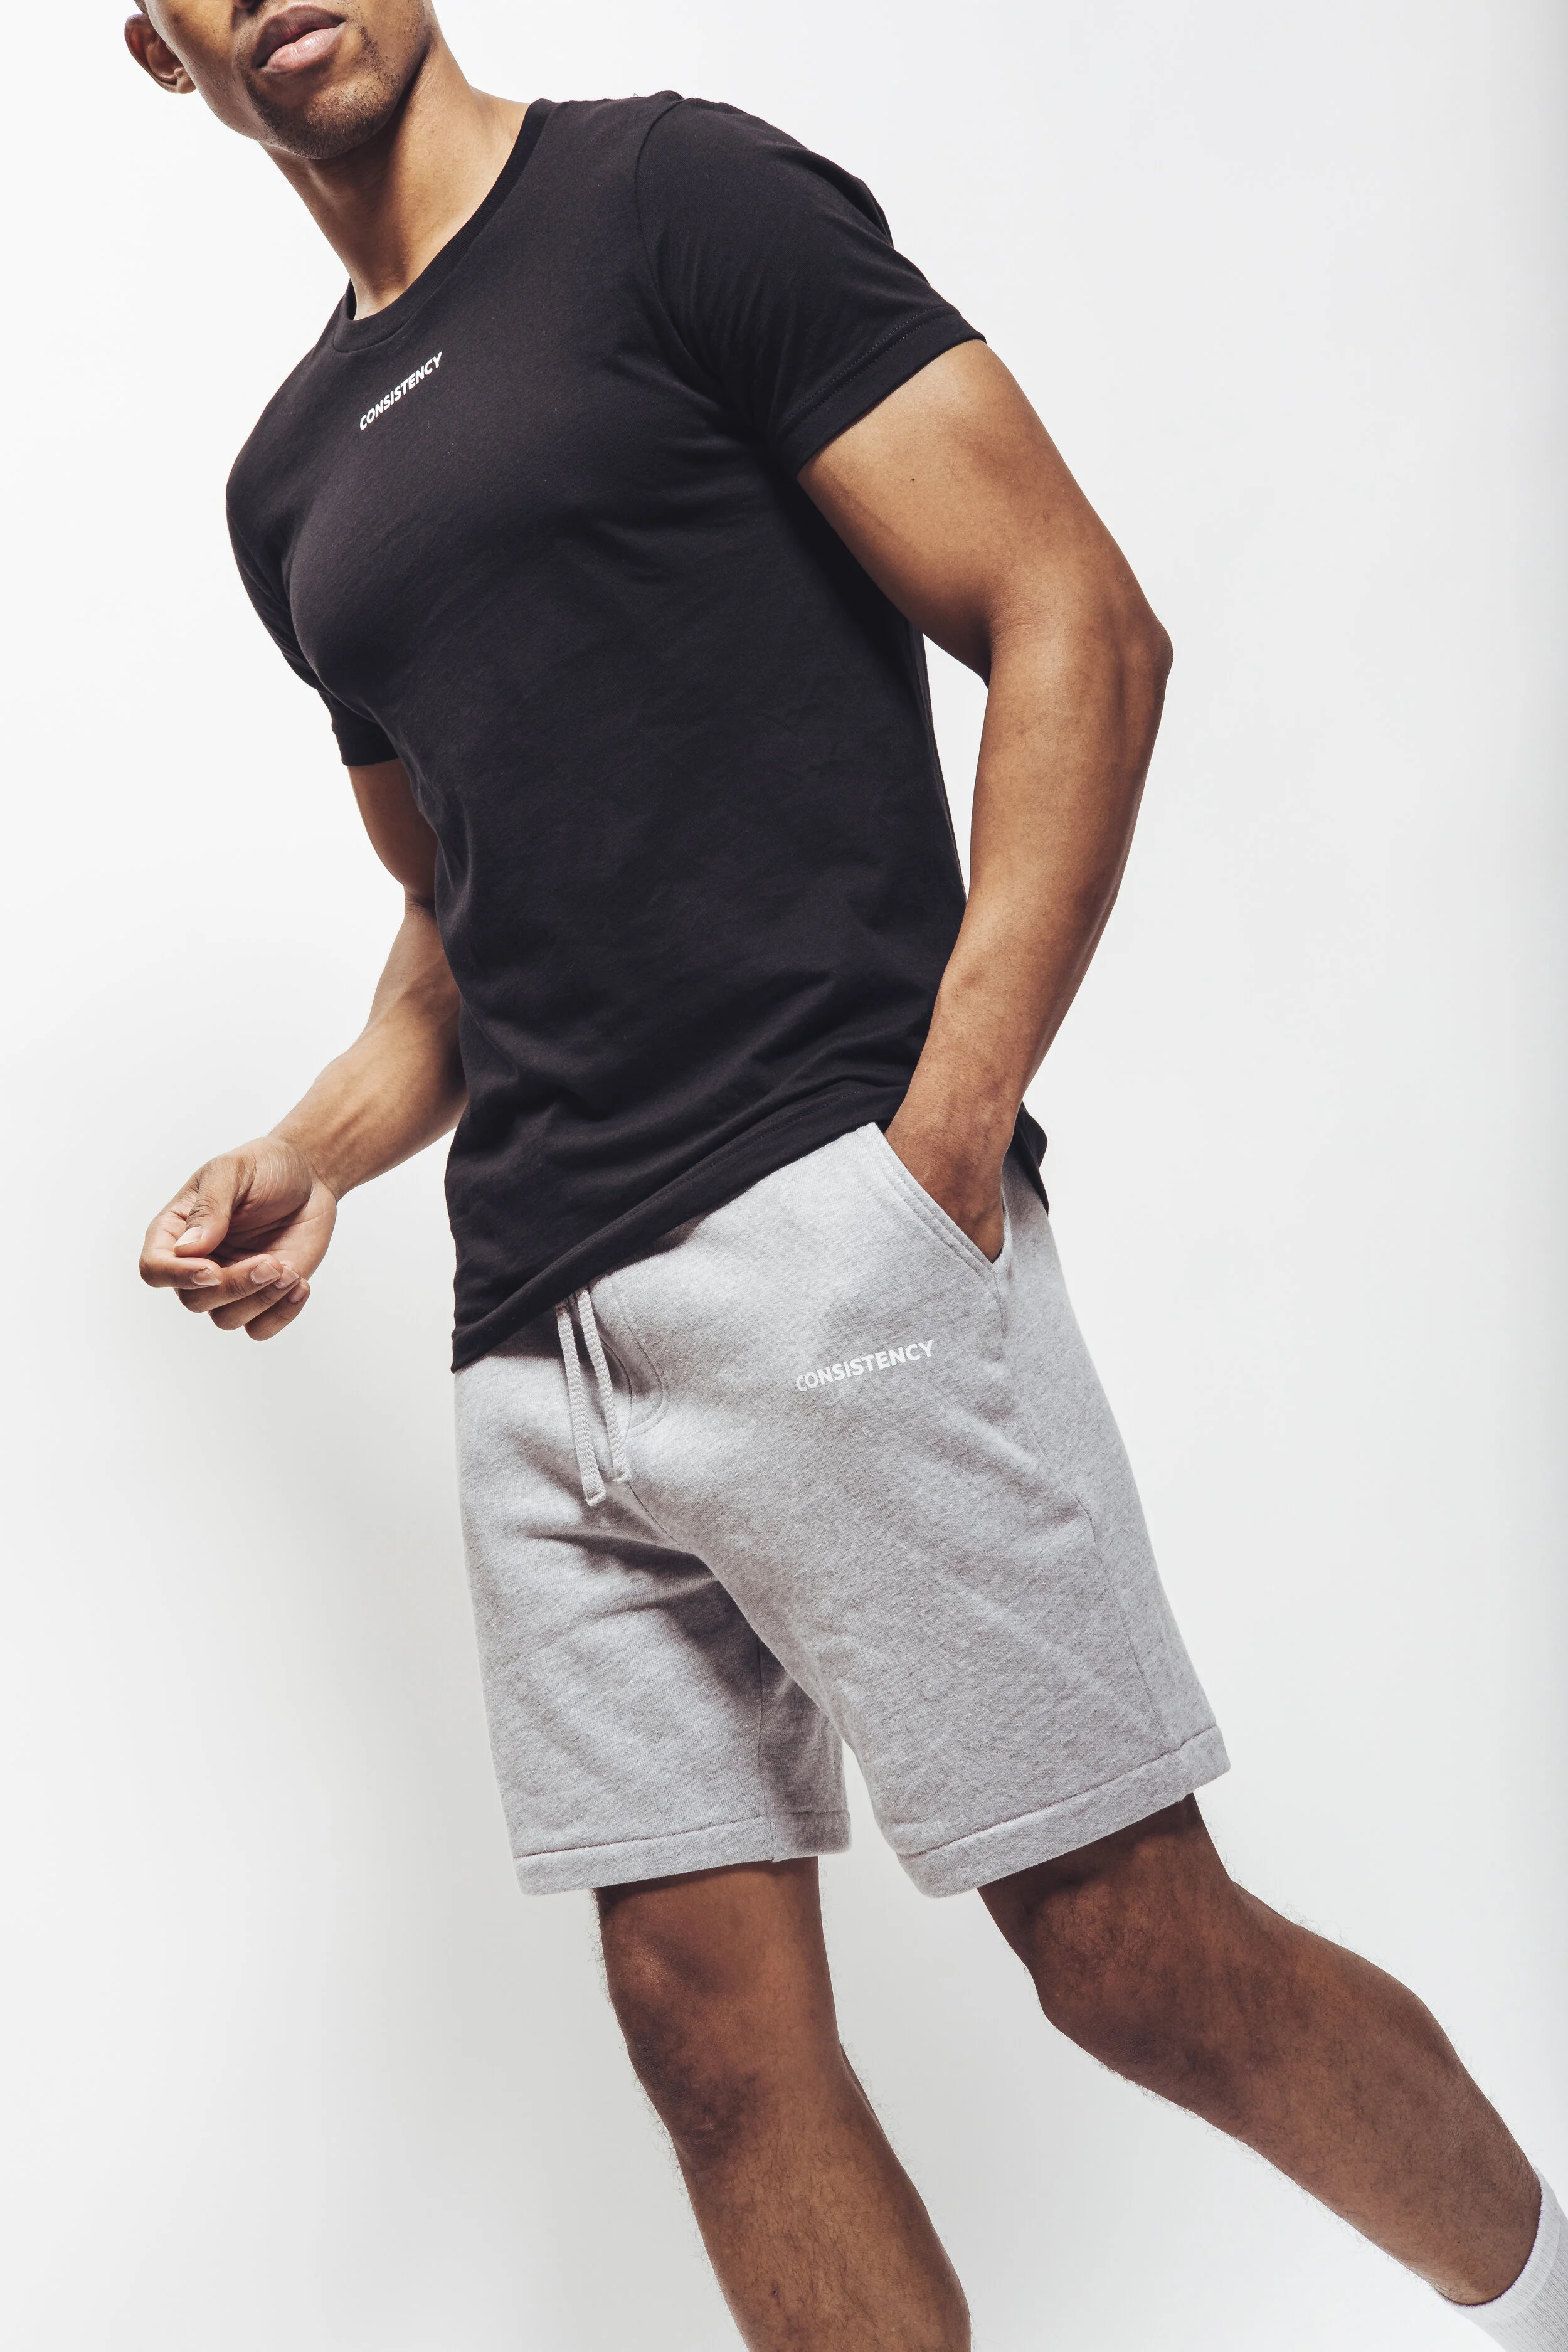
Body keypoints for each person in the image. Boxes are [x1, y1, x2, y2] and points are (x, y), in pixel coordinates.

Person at [126, 6, 1562, 2346]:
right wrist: (311, 1150)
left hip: (822, 1239)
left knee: (1125, 1949)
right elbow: (456, 929)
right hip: (533, 1354)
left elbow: (1072, 612)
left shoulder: (669, 200)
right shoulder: (286, 484)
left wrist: (943, 1135)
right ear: (155, 47)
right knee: (706, 2040)